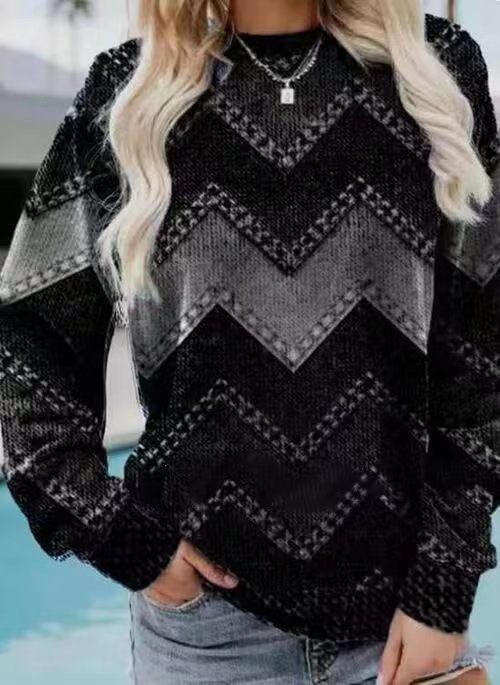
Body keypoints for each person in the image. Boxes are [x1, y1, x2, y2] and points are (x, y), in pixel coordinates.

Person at [0, 0, 498, 683]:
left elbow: (481, 354)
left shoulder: (434, 73)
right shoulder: (130, 96)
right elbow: (26, 342)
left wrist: (444, 584)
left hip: (402, 632)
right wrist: (121, 536)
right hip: (207, 643)